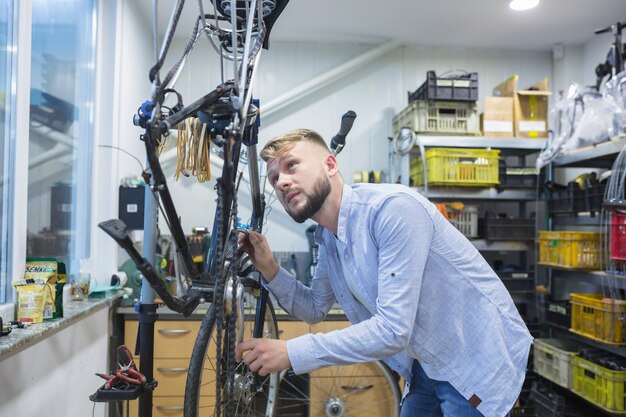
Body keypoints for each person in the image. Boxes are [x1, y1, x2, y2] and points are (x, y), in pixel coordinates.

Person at [235, 128, 533, 417]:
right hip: (426, 362)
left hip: (473, 356)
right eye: (274, 178)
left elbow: (392, 330)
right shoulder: (328, 237)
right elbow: (314, 308)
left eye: (291, 166)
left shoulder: (392, 210)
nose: (282, 182)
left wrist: (291, 352)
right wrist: (269, 267)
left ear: (330, 164)